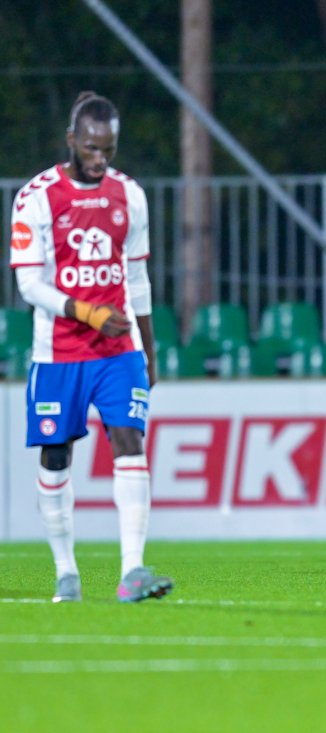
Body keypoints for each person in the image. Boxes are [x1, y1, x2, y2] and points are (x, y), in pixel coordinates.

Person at [9, 91, 172, 602]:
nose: (100, 158)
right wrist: (87, 312)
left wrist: (148, 346)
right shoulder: (36, 197)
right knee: (56, 455)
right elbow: (29, 285)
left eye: (110, 148)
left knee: (130, 441)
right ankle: (66, 573)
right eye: (92, 147)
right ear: (72, 141)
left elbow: (138, 276)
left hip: (117, 351)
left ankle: (133, 572)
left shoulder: (131, 195)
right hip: (57, 352)